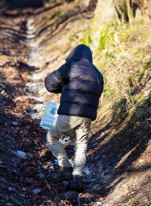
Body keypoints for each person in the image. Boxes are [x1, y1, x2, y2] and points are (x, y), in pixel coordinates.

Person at [45, 44, 104, 191]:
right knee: (82, 145)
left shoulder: (71, 66)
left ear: (73, 55)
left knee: (52, 137)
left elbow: (51, 84)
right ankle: (78, 177)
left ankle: (65, 168)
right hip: (87, 117)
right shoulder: (97, 74)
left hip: (70, 113)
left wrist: (63, 89)